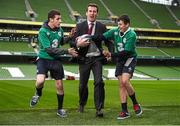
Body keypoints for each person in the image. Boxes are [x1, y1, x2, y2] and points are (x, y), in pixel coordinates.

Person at [30, 9, 78, 118]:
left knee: (60, 85)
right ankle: (38, 93)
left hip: (55, 60)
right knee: (40, 81)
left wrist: (69, 36)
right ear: (51, 19)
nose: (60, 21)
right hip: (43, 59)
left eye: (60, 18)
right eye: (58, 19)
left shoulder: (60, 29)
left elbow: (60, 42)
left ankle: (60, 109)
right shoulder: (42, 31)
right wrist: (67, 51)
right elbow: (49, 50)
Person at [94, 15, 143, 119]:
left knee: (125, 81)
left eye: (121, 24)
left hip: (129, 58)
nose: (119, 26)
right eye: (118, 24)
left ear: (127, 24)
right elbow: (102, 37)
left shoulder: (132, 35)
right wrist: (89, 37)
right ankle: (125, 111)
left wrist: (111, 54)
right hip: (120, 59)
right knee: (121, 85)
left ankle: (135, 103)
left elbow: (126, 52)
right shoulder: (115, 31)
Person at [71, 3, 113, 117]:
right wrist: (77, 43)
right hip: (84, 59)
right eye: (90, 11)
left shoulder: (102, 27)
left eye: (94, 11)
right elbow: (72, 41)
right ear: (86, 13)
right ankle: (82, 104)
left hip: (97, 59)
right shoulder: (79, 26)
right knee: (82, 85)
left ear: (97, 13)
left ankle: (99, 109)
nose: (92, 13)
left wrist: (110, 53)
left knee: (99, 82)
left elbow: (109, 41)